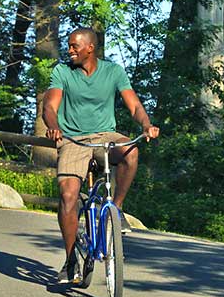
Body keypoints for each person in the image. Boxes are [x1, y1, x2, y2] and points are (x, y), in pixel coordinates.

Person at [43, 27, 160, 284]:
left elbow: (134, 105)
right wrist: (53, 125)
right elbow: (49, 106)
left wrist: (145, 124)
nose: (70, 50)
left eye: (75, 46)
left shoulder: (113, 71)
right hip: (73, 140)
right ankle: (71, 260)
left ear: (90, 48)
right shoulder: (62, 71)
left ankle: (115, 211)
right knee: (68, 196)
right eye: (69, 45)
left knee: (131, 150)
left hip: (105, 136)